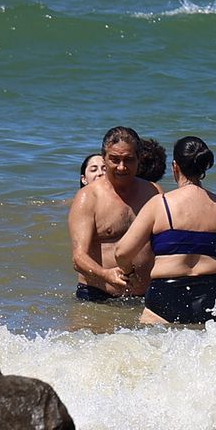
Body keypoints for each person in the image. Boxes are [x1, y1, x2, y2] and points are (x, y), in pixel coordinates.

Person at [115, 137, 216, 325]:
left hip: (167, 293)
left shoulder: (160, 203)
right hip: (214, 292)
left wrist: (128, 272)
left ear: (175, 167)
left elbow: (122, 252)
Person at [69, 127, 161, 302]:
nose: (121, 167)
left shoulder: (153, 191)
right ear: (104, 158)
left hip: (145, 296)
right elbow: (78, 258)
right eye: (114, 159)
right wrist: (105, 274)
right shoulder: (88, 197)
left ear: (139, 159)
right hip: (99, 296)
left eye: (128, 160)